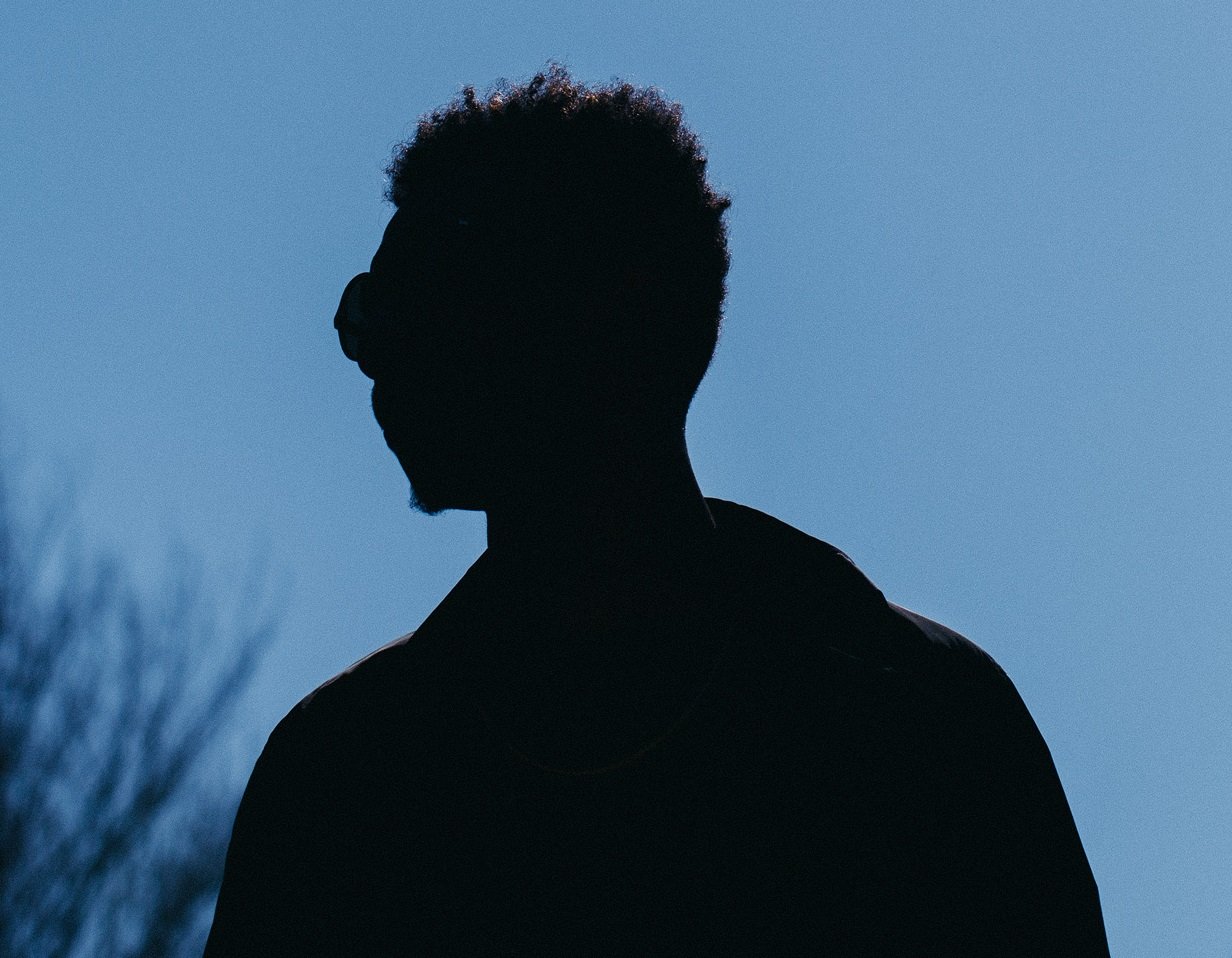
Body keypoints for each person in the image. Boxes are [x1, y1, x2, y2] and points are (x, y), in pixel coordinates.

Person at [205, 66, 1110, 955]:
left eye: (426, 295)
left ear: (617, 310)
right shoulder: (344, 781)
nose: (375, 350)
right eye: (370, 309)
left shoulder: (918, 725)